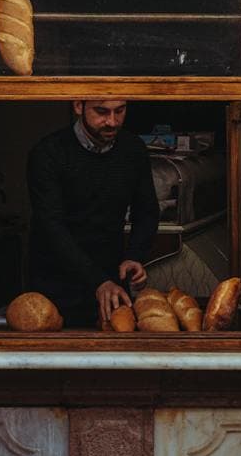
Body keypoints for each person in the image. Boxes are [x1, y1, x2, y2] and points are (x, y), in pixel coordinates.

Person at [25, 99, 159, 327]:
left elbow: (147, 210)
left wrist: (135, 255)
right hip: (55, 285)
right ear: (79, 106)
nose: (112, 121)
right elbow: (51, 227)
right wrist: (98, 280)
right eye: (101, 112)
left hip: (112, 283)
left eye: (120, 111)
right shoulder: (48, 153)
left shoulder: (133, 149)